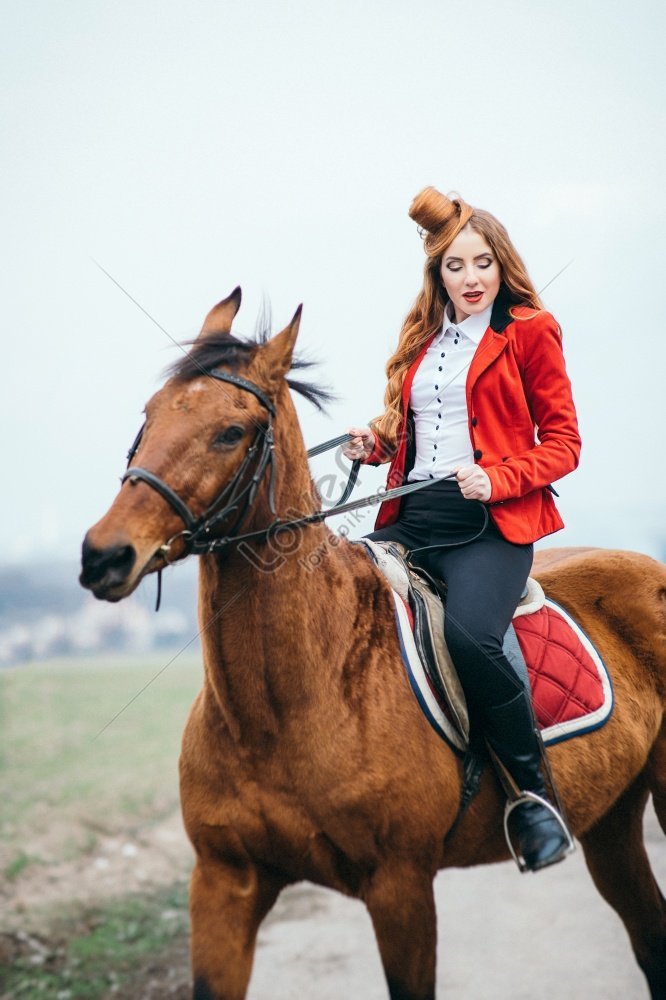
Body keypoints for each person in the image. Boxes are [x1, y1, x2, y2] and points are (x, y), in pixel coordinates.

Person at [343, 186, 581, 872]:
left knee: (471, 636)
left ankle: (534, 800)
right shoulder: (423, 335)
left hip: (490, 527)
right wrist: (377, 442)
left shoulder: (531, 329)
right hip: (411, 519)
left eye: (482, 263)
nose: (471, 278)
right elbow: (417, 431)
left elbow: (564, 443)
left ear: (501, 264)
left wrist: (498, 477)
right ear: (436, 273)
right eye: (455, 266)